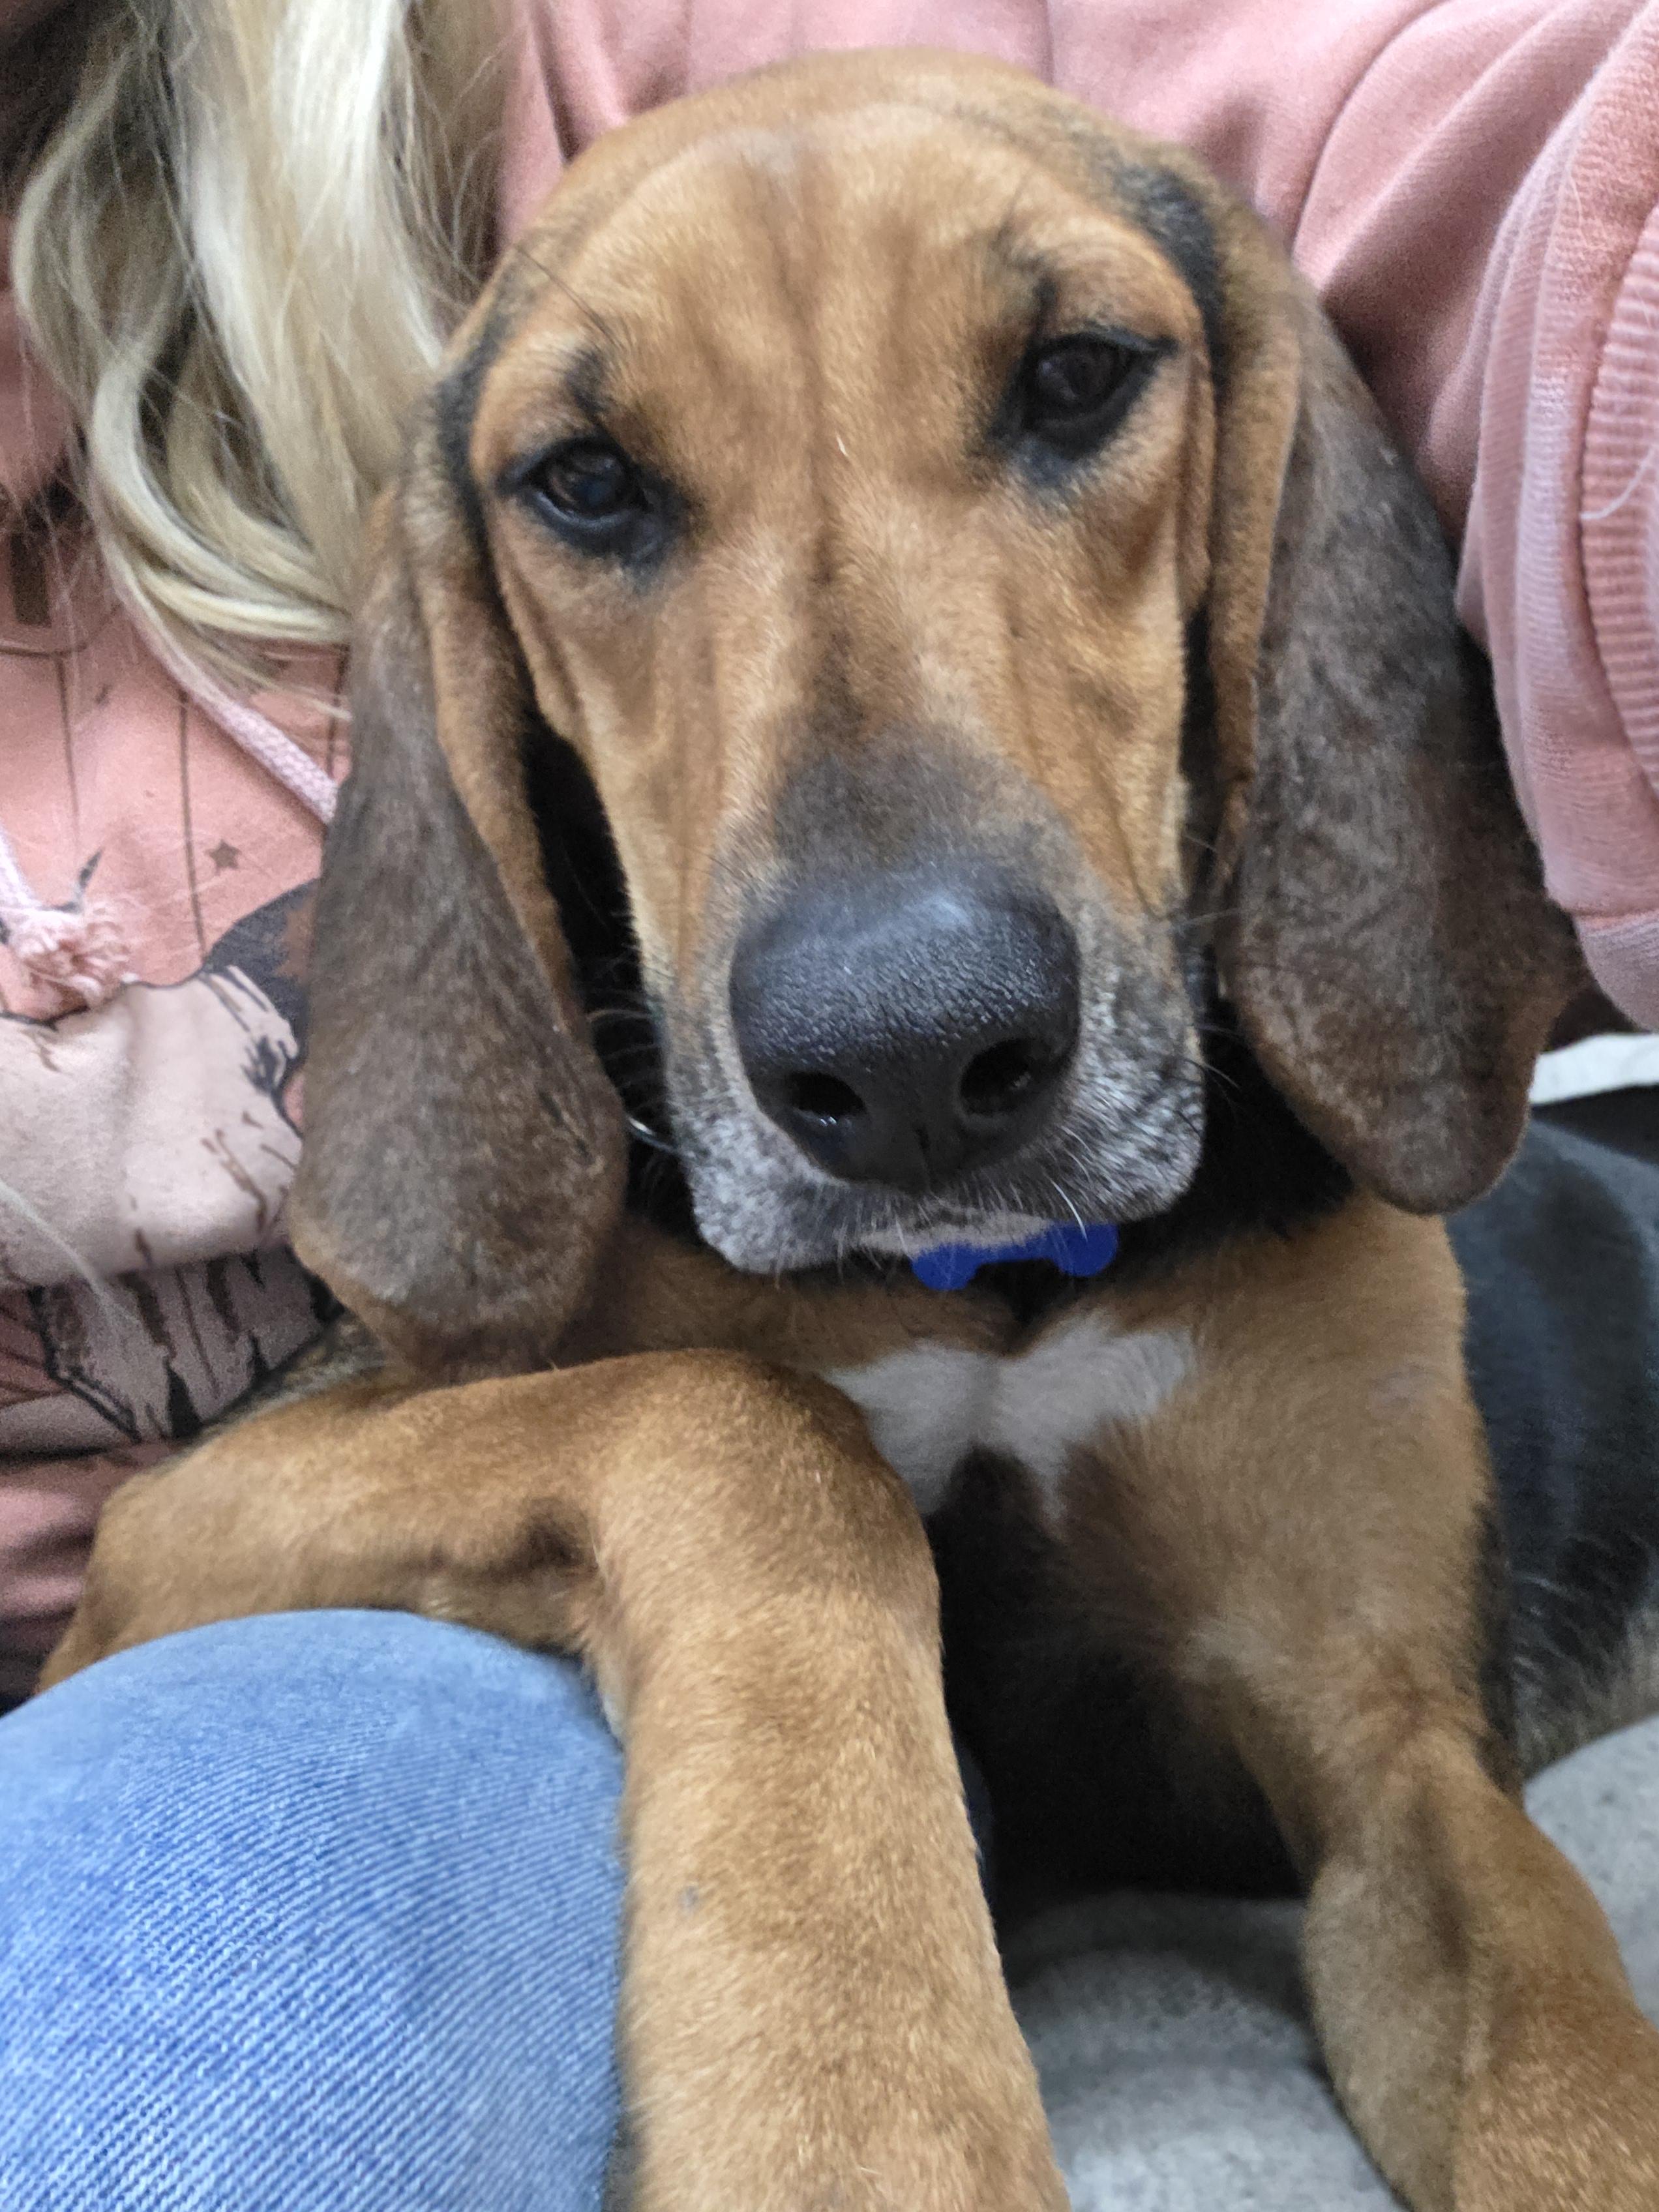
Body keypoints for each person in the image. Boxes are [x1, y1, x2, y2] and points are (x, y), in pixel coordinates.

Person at [1, 3, 1655, 2206]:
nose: (899, 997)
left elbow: (1489, 173)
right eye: (600, 490)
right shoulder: (583, 1164)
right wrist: (703, 1484)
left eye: (1070, 391)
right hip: (384, 1636)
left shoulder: (616, 55)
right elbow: (200, 1534)